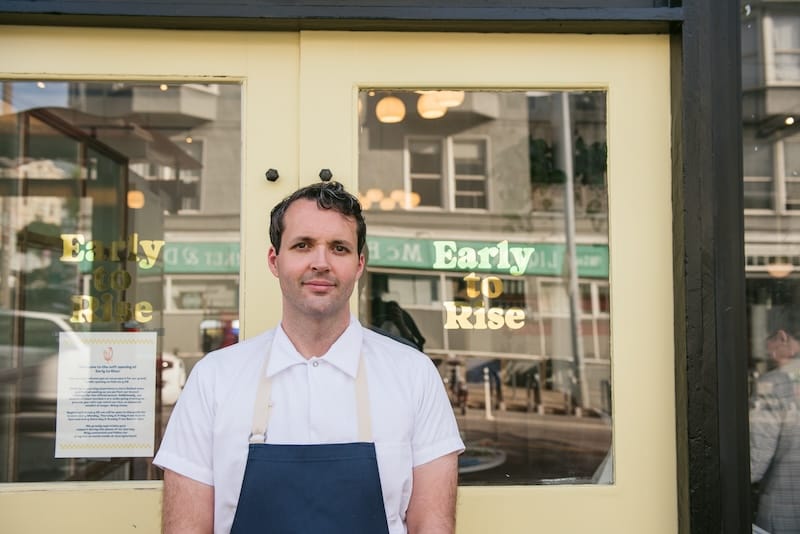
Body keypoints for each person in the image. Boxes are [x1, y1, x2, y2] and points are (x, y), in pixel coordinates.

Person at [154, 181, 464, 534]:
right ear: (275, 260)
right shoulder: (214, 378)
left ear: (360, 264)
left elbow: (433, 526)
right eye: (303, 246)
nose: (321, 262)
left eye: (339, 248)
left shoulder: (414, 376)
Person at [750, 328, 800, 533]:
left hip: (782, 515)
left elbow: (755, 463)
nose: (764, 353)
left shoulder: (772, 384)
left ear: (782, 337)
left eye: (765, 343)